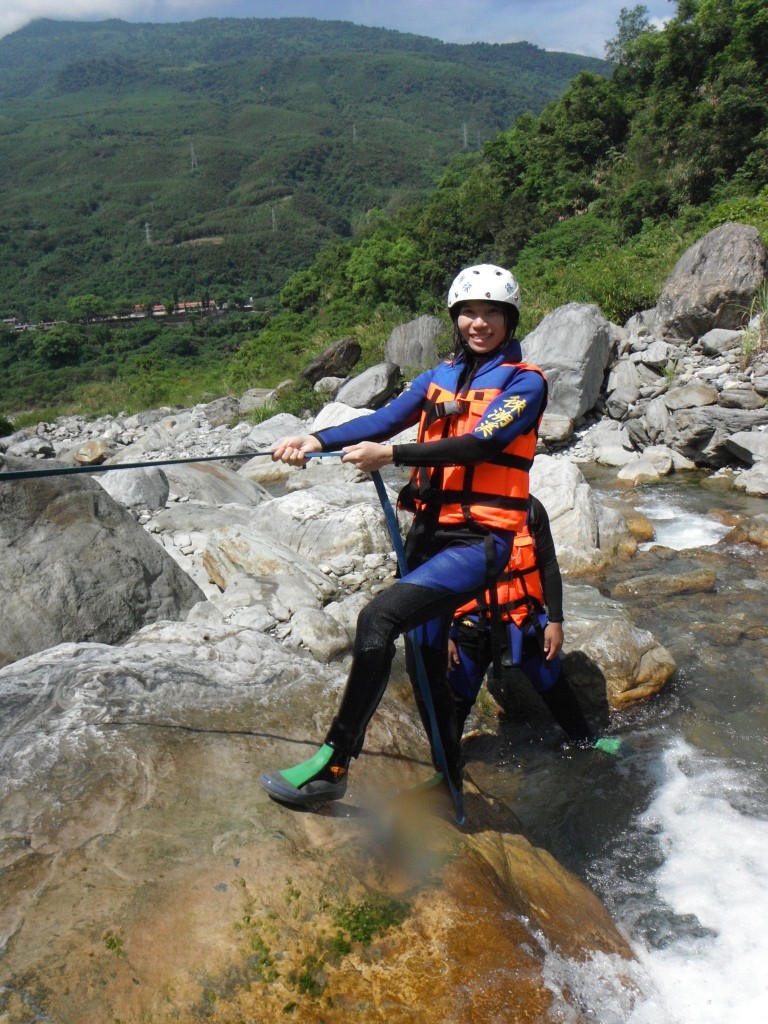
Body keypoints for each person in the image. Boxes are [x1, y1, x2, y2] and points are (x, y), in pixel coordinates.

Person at [260, 263, 548, 808]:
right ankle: (449, 778)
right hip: (427, 537)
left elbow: (481, 445)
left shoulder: (524, 382)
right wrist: (312, 439)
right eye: (468, 311)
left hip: (479, 542)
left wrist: (391, 456)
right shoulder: (439, 376)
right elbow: (383, 419)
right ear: (455, 318)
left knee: (378, 618)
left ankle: (334, 762)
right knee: (422, 659)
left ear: (509, 319)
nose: (478, 322)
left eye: (491, 312)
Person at [430, 494, 620, 786]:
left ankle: (586, 740)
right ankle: (445, 769)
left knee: (554, 686)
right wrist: (442, 633)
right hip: (472, 626)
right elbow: (435, 578)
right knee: (457, 701)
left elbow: (549, 566)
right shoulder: (453, 510)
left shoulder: (530, 509)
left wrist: (555, 621)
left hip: (525, 622)